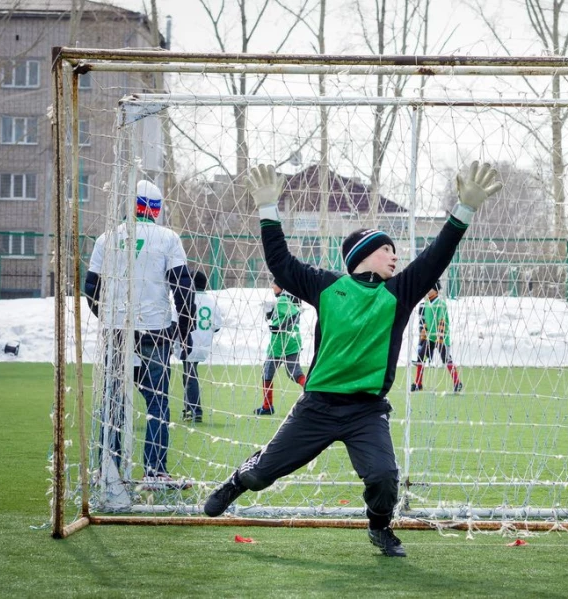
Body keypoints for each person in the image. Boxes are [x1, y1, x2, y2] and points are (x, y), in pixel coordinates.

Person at [204, 160, 502, 558]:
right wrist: (267, 208)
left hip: (367, 411)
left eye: (396, 252)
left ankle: (380, 528)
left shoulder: (399, 292)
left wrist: (464, 210)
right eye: (386, 249)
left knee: (383, 478)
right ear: (362, 254)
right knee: (261, 476)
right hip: (317, 407)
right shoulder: (326, 286)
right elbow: (281, 263)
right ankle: (238, 480)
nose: (395, 257)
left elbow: (437, 256)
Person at [84, 180, 194, 488]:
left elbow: (91, 288)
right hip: (154, 332)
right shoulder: (167, 238)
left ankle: (109, 469)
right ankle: (156, 472)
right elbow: (182, 286)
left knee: (113, 402)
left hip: (117, 333)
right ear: (157, 209)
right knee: (157, 402)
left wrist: (109, 317)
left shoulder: (107, 239)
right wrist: (184, 330)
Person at [255, 280, 306, 415]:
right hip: (293, 341)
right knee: (294, 373)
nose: (272, 286)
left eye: (274, 284)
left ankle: (267, 407)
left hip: (280, 343)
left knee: (267, 373)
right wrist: (270, 314)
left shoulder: (283, 299)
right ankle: (313, 392)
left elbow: (295, 315)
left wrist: (280, 328)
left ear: (281, 287)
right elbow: (288, 315)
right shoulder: (287, 299)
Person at [178, 268, 223, 423]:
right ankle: (188, 408)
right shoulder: (211, 301)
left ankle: (195, 410)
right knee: (189, 373)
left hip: (188, 342)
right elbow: (217, 326)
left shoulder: (186, 299)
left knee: (190, 375)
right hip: (203, 343)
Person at [411, 281, 463, 393]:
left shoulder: (441, 304)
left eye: (429, 288)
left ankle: (457, 382)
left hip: (441, 336)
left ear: (435, 290)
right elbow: (424, 322)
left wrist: (440, 336)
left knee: (445, 358)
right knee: (421, 356)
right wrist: (423, 336)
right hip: (430, 336)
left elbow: (442, 320)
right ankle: (418, 383)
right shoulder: (426, 304)